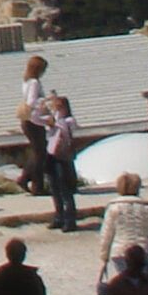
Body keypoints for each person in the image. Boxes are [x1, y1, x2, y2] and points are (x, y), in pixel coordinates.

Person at [96, 172, 148, 287]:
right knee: (143, 284)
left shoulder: (114, 208)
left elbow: (106, 234)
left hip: (120, 251)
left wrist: (104, 257)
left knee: (126, 284)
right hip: (143, 250)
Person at [16, 53, 54, 195]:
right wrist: (44, 101)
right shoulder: (34, 83)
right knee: (40, 154)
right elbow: (32, 102)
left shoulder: (26, 81)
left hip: (27, 120)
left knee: (37, 152)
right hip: (34, 120)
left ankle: (28, 180)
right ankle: (34, 184)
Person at [44, 95, 83, 231]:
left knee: (65, 188)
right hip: (52, 155)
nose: (57, 109)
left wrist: (57, 121)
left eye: (60, 107)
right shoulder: (53, 121)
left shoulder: (69, 121)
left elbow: (68, 132)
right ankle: (58, 216)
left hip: (64, 156)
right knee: (54, 187)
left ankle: (70, 220)